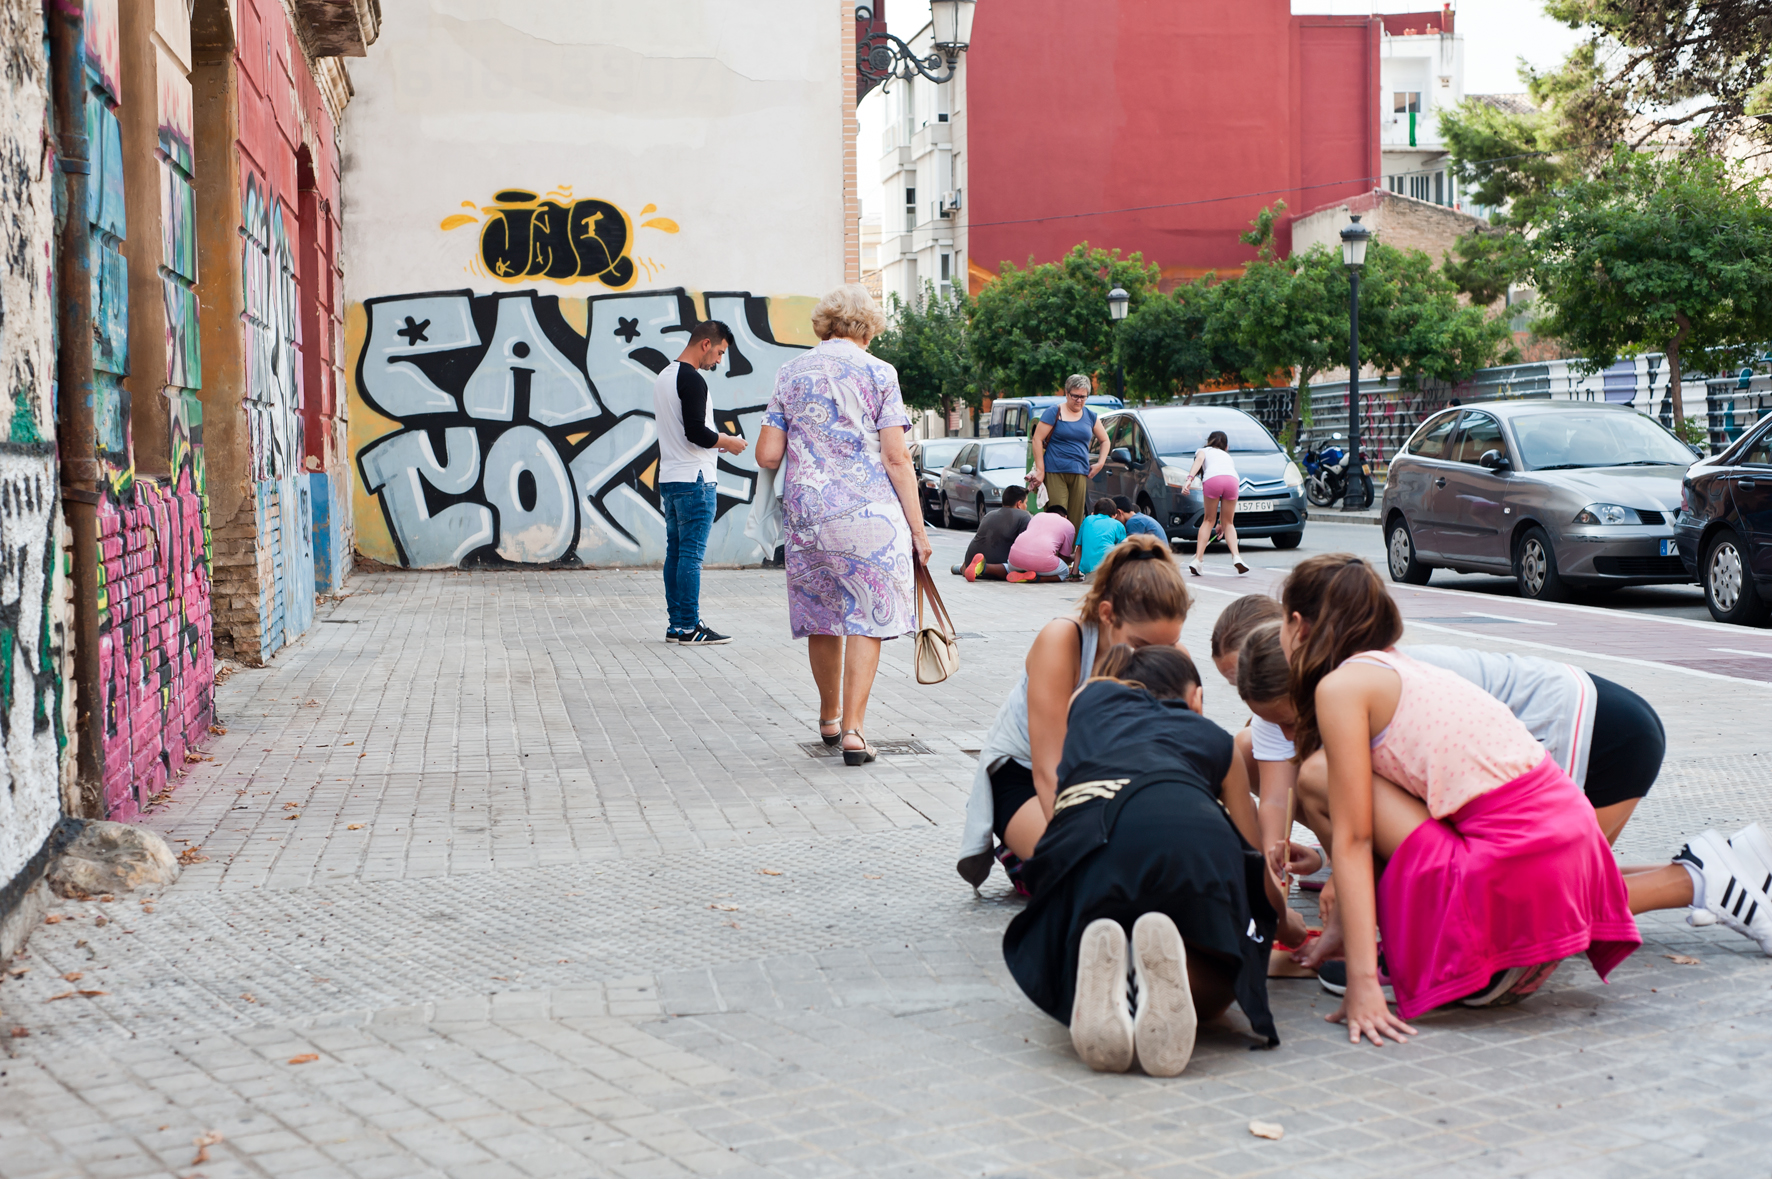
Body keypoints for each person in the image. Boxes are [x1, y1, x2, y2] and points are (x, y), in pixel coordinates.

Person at [1281, 555, 1642, 1044]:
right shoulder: (1404, 669)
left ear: (1299, 626)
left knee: (1318, 776)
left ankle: (1478, 952)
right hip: (1564, 858)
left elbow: (1355, 836)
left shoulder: (1342, 685)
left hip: (1514, 872)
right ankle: (1508, 953)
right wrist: (1342, 929)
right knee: (1336, 780)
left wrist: (1362, 984)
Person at [1002, 644, 1307, 1074]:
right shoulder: (1216, 742)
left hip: (1081, 843)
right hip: (1185, 831)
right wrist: (1283, 922)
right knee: (1231, 971)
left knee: (1067, 940)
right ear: (1196, 699)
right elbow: (1252, 860)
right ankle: (1168, 976)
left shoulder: (1084, 706)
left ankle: (1107, 976)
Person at [755, 284, 933, 767]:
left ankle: (829, 718)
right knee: (867, 615)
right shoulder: (880, 373)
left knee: (822, 615)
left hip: (808, 516)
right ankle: (855, 731)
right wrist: (919, 532)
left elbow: (768, 454)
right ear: (868, 328)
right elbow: (896, 458)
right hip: (868, 516)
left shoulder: (790, 373)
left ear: (826, 325)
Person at [957, 536, 1191, 889]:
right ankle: (1019, 849)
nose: (1158, 660)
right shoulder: (1064, 640)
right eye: (1142, 646)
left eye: (1169, 645)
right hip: (1028, 776)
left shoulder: (1175, 655)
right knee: (1101, 874)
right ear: (1107, 615)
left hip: (1110, 778)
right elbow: (1049, 769)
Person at [655, 321, 749, 646]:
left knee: (676, 554)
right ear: (705, 344)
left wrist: (718, 441)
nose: (719, 361)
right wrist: (728, 441)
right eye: (720, 352)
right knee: (691, 556)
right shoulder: (692, 379)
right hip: (696, 480)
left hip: (671, 477)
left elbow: (685, 430)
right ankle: (691, 626)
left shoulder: (665, 376)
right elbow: (696, 432)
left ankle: (677, 626)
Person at [1030, 375, 1110, 528]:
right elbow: (1037, 439)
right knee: (1057, 517)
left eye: (1083, 397)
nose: (1079, 400)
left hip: (1080, 471)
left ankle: (1071, 551)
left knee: (1075, 519)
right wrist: (1040, 470)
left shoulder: (1090, 416)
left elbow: (1105, 440)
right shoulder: (1054, 412)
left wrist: (1100, 464)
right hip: (1055, 470)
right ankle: (1055, 551)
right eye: (1075, 396)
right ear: (1066, 393)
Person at [1180, 429, 1246, 577]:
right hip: (1232, 480)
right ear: (1226, 446)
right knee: (1229, 523)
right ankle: (1236, 557)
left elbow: (1199, 461)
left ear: (1208, 442)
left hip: (1213, 480)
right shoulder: (1227, 457)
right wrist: (1222, 522)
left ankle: (1198, 560)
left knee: (1208, 520)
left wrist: (1189, 480)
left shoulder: (1204, 451)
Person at [955, 485, 1031, 582]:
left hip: (969, 558)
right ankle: (983, 568)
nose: (1026, 506)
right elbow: (1023, 548)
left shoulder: (989, 514)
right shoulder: (1024, 516)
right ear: (1019, 504)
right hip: (995, 568)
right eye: (1026, 503)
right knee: (1020, 568)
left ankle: (964, 567)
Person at [1005, 504, 1077, 583]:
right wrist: (1076, 556)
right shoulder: (1068, 525)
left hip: (1014, 561)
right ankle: (1037, 578)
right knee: (1065, 572)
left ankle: (1023, 573)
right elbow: (1064, 558)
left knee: (1011, 565)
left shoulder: (1037, 516)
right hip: (1041, 562)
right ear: (1066, 517)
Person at [1075, 498, 1127, 576]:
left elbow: (1079, 548)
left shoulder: (1087, 520)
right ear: (1115, 515)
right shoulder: (1117, 524)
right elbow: (1124, 550)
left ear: (1094, 513)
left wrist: (1074, 574)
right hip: (1108, 570)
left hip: (1089, 571)